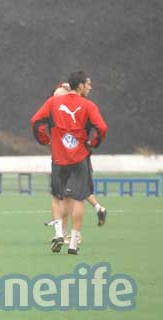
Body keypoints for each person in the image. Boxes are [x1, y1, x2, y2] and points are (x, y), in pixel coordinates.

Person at [31, 71, 108, 255]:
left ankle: (59, 233)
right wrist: (93, 143)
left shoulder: (52, 103)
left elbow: (36, 121)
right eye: (87, 85)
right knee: (79, 198)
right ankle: (73, 243)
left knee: (57, 197)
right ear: (80, 86)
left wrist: (44, 139)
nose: (89, 87)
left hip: (59, 158)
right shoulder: (88, 105)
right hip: (80, 158)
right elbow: (102, 128)